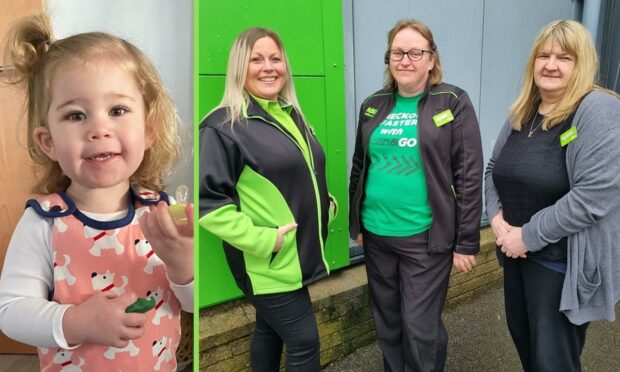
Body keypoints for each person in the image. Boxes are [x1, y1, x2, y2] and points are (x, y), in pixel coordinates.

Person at [0, 12, 193, 372]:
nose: (99, 128)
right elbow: (11, 312)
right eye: (76, 116)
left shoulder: (163, 214)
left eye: (117, 110)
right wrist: (77, 322)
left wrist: (183, 266)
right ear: (49, 142)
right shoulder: (44, 223)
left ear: (148, 129)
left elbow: (194, 304)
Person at [199, 27, 337, 372]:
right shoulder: (222, 127)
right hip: (266, 264)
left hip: (293, 256)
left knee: (269, 330)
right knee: (305, 342)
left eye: (275, 58)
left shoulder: (291, 115)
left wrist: (326, 206)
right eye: (256, 59)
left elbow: (302, 174)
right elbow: (209, 206)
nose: (268, 67)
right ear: (239, 68)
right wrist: (266, 241)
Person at [485, 19, 620, 371]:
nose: (550, 64)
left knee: (553, 362)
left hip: (559, 265)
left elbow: (593, 196)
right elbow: (492, 170)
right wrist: (497, 221)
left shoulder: (597, 110)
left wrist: (527, 236)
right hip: (515, 257)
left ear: (582, 64)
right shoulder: (524, 110)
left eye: (564, 57)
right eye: (543, 55)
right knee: (529, 353)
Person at [349, 19, 483, 372]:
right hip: (377, 235)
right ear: (388, 58)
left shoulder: (451, 101)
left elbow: (468, 174)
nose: (405, 59)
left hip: (425, 238)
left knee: (419, 326)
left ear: (431, 59)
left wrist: (466, 241)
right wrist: (355, 222)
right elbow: (360, 166)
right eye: (397, 52)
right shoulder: (373, 104)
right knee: (388, 320)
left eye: (415, 52)